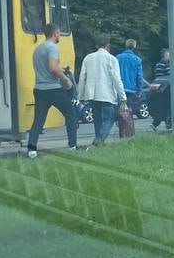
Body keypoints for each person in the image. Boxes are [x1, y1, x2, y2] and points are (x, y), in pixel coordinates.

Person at [27, 22, 78, 158]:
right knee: (70, 114)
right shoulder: (53, 47)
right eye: (59, 33)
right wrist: (66, 79)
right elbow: (52, 68)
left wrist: (61, 69)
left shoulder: (37, 49)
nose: (59, 35)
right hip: (53, 89)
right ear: (55, 33)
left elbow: (47, 68)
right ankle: (73, 146)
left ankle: (32, 150)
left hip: (39, 89)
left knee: (38, 120)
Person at [77, 34, 127, 147]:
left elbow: (82, 78)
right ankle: (99, 139)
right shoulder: (111, 59)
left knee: (97, 120)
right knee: (110, 118)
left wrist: (80, 96)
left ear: (96, 46)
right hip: (107, 94)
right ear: (108, 46)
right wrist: (123, 97)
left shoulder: (88, 58)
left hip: (92, 95)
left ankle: (99, 141)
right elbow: (117, 80)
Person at [117, 37, 146, 115]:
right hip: (131, 88)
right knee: (128, 109)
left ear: (126, 45)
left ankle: (120, 124)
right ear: (134, 47)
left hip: (119, 87)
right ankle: (127, 125)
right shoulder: (137, 60)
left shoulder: (118, 57)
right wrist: (139, 90)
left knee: (119, 109)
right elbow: (139, 77)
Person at [150, 48, 171, 131]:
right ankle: (168, 125)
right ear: (165, 55)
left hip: (159, 87)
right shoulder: (166, 64)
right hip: (166, 87)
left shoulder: (158, 64)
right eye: (168, 55)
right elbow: (170, 74)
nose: (169, 56)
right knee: (169, 106)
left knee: (162, 106)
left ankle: (155, 123)